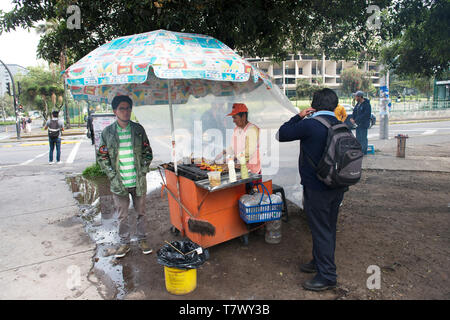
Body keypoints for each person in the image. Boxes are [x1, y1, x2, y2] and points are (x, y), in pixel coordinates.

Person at [276, 88, 347, 291]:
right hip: (338, 185)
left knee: (320, 229)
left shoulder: (309, 125)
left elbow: (281, 134)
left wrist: (298, 116)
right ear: (335, 105)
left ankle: (327, 276)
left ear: (313, 105)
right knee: (328, 227)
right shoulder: (341, 124)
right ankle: (318, 261)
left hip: (317, 188)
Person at [96, 95, 154, 258]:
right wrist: (112, 175)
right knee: (123, 216)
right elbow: (102, 156)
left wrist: (142, 171)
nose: (126, 111)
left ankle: (142, 239)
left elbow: (147, 152)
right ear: (115, 111)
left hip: (138, 181)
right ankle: (124, 243)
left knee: (141, 212)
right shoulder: (108, 133)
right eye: (122, 108)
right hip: (119, 183)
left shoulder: (138, 130)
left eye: (128, 108)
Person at [220, 103, 261, 175]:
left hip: (252, 170)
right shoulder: (236, 129)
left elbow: (249, 151)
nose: (233, 121)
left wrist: (233, 159)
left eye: (235, 117)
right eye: (233, 118)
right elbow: (233, 147)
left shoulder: (252, 130)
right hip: (240, 167)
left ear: (244, 116)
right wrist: (224, 152)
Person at [350, 91, 372, 155]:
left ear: (360, 97)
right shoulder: (358, 104)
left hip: (363, 124)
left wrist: (356, 119)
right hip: (358, 124)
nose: (355, 98)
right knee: (358, 138)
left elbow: (366, 115)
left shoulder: (366, 104)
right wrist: (352, 118)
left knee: (363, 138)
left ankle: (363, 151)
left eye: (356, 96)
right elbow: (354, 112)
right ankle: (358, 151)